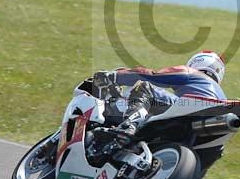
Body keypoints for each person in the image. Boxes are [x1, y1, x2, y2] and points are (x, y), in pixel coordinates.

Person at [92, 50, 227, 138]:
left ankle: (129, 126)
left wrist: (113, 77)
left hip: (191, 111)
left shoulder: (190, 73)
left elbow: (150, 76)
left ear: (195, 63)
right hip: (211, 127)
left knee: (144, 87)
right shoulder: (221, 95)